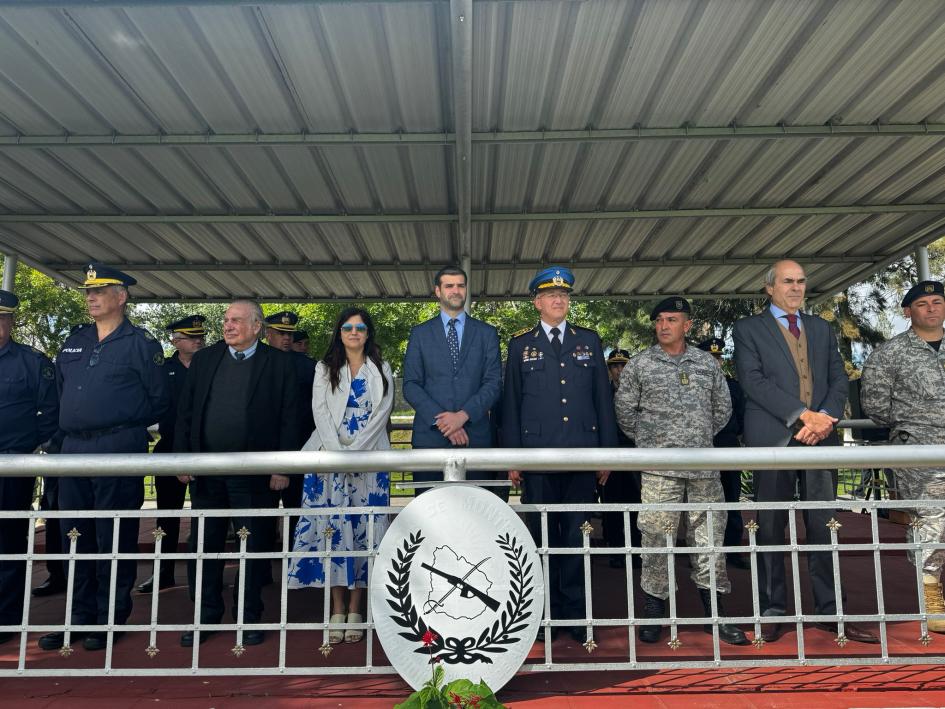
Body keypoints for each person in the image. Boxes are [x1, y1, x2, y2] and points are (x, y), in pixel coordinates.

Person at [733, 259, 877, 644]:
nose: (796, 288)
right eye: (787, 282)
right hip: (773, 440)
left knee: (823, 527)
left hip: (822, 439)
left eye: (800, 281)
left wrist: (825, 418)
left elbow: (837, 377)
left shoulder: (821, 328)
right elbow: (753, 381)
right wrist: (801, 417)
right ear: (769, 288)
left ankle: (832, 611)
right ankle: (772, 610)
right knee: (770, 529)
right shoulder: (747, 329)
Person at [39, 264, 170, 652]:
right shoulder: (75, 340)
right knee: (74, 537)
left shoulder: (141, 344)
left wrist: (121, 426)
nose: (91, 298)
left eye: (100, 291)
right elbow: (62, 393)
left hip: (117, 448)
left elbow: (159, 399)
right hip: (73, 450)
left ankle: (109, 619)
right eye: (88, 292)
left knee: (112, 536)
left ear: (122, 297)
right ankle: (77, 619)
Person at [616, 298, 747, 645]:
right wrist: (652, 442)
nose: (663, 326)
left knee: (709, 543)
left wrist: (695, 438)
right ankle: (654, 612)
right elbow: (625, 411)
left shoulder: (706, 364)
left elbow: (722, 410)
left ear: (687, 326)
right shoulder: (641, 364)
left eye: (671, 319)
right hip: (659, 470)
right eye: (659, 320)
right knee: (656, 540)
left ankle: (715, 614)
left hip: (703, 469)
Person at [502, 266, 618, 643]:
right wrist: (513, 457)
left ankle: (576, 613)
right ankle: (543, 612)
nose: (559, 300)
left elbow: (603, 399)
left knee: (578, 536)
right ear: (537, 302)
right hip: (537, 459)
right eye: (552, 296)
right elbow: (512, 405)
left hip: (582, 456)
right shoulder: (521, 345)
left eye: (564, 296)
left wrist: (607, 455)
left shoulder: (589, 340)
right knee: (542, 539)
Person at [174, 300, 299, 648]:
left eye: (237, 321)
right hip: (207, 474)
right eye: (226, 320)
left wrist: (283, 466)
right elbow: (185, 411)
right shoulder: (205, 360)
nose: (228, 326)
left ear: (257, 326)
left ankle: (247, 618)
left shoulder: (279, 364)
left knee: (252, 546)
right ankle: (204, 617)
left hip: (256, 476)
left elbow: (291, 417)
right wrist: (182, 459)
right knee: (203, 545)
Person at [288, 308, 394, 644]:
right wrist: (338, 455)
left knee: (365, 532)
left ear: (368, 333)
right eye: (347, 327)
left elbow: (382, 413)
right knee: (333, 532)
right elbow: (320, 411)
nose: (353, 332)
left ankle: (357, 607)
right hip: (329, 462)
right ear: (339, 332)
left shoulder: (382, 368)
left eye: (360, 327)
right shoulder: (324, 368)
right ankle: (335, 608)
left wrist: (357, 454)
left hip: (370, 463)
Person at [861, 280, 945, 631]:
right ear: (908, 312)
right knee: (933, 519)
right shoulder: (890, 354)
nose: (931, 308)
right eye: (922, 303)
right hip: (920, 450)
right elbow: (875, 405)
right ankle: (933, 596)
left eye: (937, 301)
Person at [402, 265, 502, 493]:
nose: (455, 290)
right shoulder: (420, 334)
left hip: (475, 438)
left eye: (460, 285)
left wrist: (463, 416)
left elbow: (494, 383)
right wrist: (445, 422)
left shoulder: (487, 333)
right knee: (430, 517)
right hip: (430, 439)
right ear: (438, 291)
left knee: (476, 515)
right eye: (449, 286)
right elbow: (411, 385)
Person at [0, 290, 59, 645]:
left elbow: (49, 413)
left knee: (8, 544)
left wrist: (25, 447)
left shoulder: (33, 362)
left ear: (11, 322)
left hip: (12, 464)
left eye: (3, 319)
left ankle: (5, 621)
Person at [137, 315, 206, 594]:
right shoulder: (162, 370)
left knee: (207, 516)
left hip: (204, 449)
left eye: (200, 336)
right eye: (192, 337)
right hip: (169, 449)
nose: (199, 341)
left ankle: (203, 573)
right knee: (167, 516)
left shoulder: (210, 367)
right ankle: (163, 572)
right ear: (176, 341)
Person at [697, 337, 749, 570]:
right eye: (710, 358)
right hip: (699, 450)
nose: (715, 362)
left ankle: (733, 550)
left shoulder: (733, 387)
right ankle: (701, 552)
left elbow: (742, 419)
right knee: (700, 504)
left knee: (730, 501)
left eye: (717, 358)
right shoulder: (691, 385)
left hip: (727, 449)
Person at [264, 311, 316, 540]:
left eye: (289, 333)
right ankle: (258, 574)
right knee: (261, 518)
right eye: (280, 333)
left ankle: (296, 569)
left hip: (299, 449)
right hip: (262, 452)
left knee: (298, 515)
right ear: (267, 334)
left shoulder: (309, 366)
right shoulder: (257, 362)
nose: (286, 338)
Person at [600, 348, 641, 569]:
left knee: (636, 504)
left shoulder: (639, 392)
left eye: (623, 365)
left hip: (634, 455)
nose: (619, 370)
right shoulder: (603, 393)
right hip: (611, 456)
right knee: (612, 505)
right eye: (615, 366)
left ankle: (635, 550)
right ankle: (616, 550)